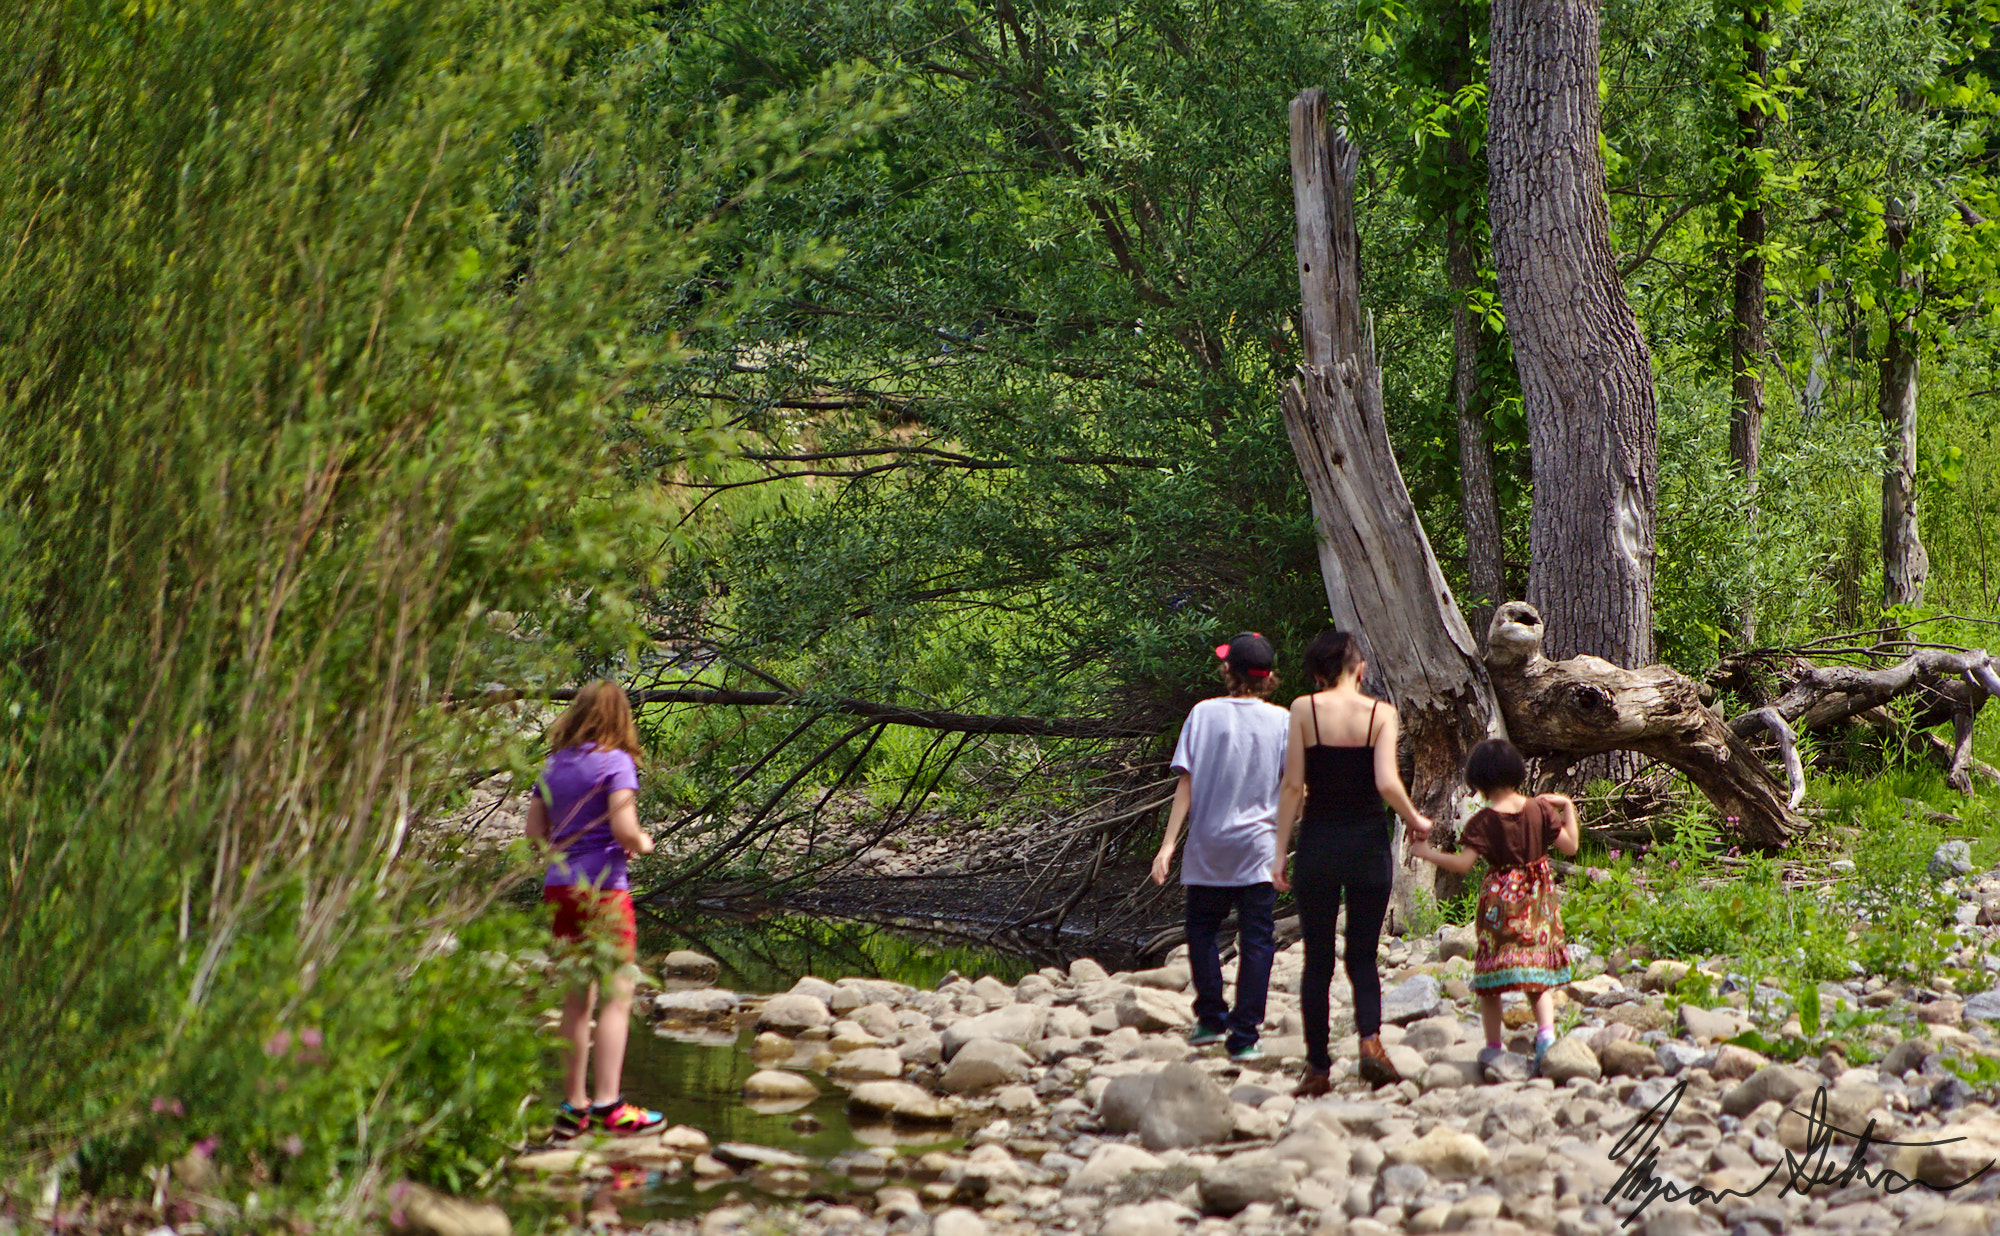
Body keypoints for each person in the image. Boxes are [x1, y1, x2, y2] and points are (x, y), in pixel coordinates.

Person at [1273, 630, 1433, 1097]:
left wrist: (1279, 850)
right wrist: (1415, 818)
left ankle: (1318, 1068)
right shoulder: (1381, 714)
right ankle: (1370, 1045)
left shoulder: (1303, 710)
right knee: (1363, 957)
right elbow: (1386, 782)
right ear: (1360, 669)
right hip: (1367, 845)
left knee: (1317, 961)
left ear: (1318, 673)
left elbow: (1291, 788)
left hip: (1320, 845)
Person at [525, 681, 668, 1143]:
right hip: (604, 890)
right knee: (616, 994)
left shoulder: (552, 766)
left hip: (560, 888)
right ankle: (609, 1104)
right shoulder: (616, 762)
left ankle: (573, 1108)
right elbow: (626, 830)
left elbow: (534, 833)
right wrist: (644, 843)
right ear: (619, 718)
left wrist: (564, 852)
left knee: (574, 997)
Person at [1151, 632, 1290, 1063]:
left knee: (1202, 930)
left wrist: (1168, 845)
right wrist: (1283, 844)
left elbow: (1186, 782)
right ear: (1268, 678)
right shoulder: (1283, 721)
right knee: (1257, 938)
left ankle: (1211, 1018)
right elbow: (1292, 789)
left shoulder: (1203, 714)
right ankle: (1245, 1034)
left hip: (1209, 845)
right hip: (1258, 846)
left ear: (1228, 671)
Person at [1411, 737, 1579, 1074]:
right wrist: (1568, 807)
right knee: (1536, 974)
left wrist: (1426, 853)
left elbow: (1462, 865)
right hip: (1537, 901)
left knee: (1491, 976)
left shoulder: (1483, 822)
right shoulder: (1542, 809)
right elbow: (1571, 847)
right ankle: (1546, 1034)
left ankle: (1492, 1047)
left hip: (1499, 904)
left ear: (1479, 781)